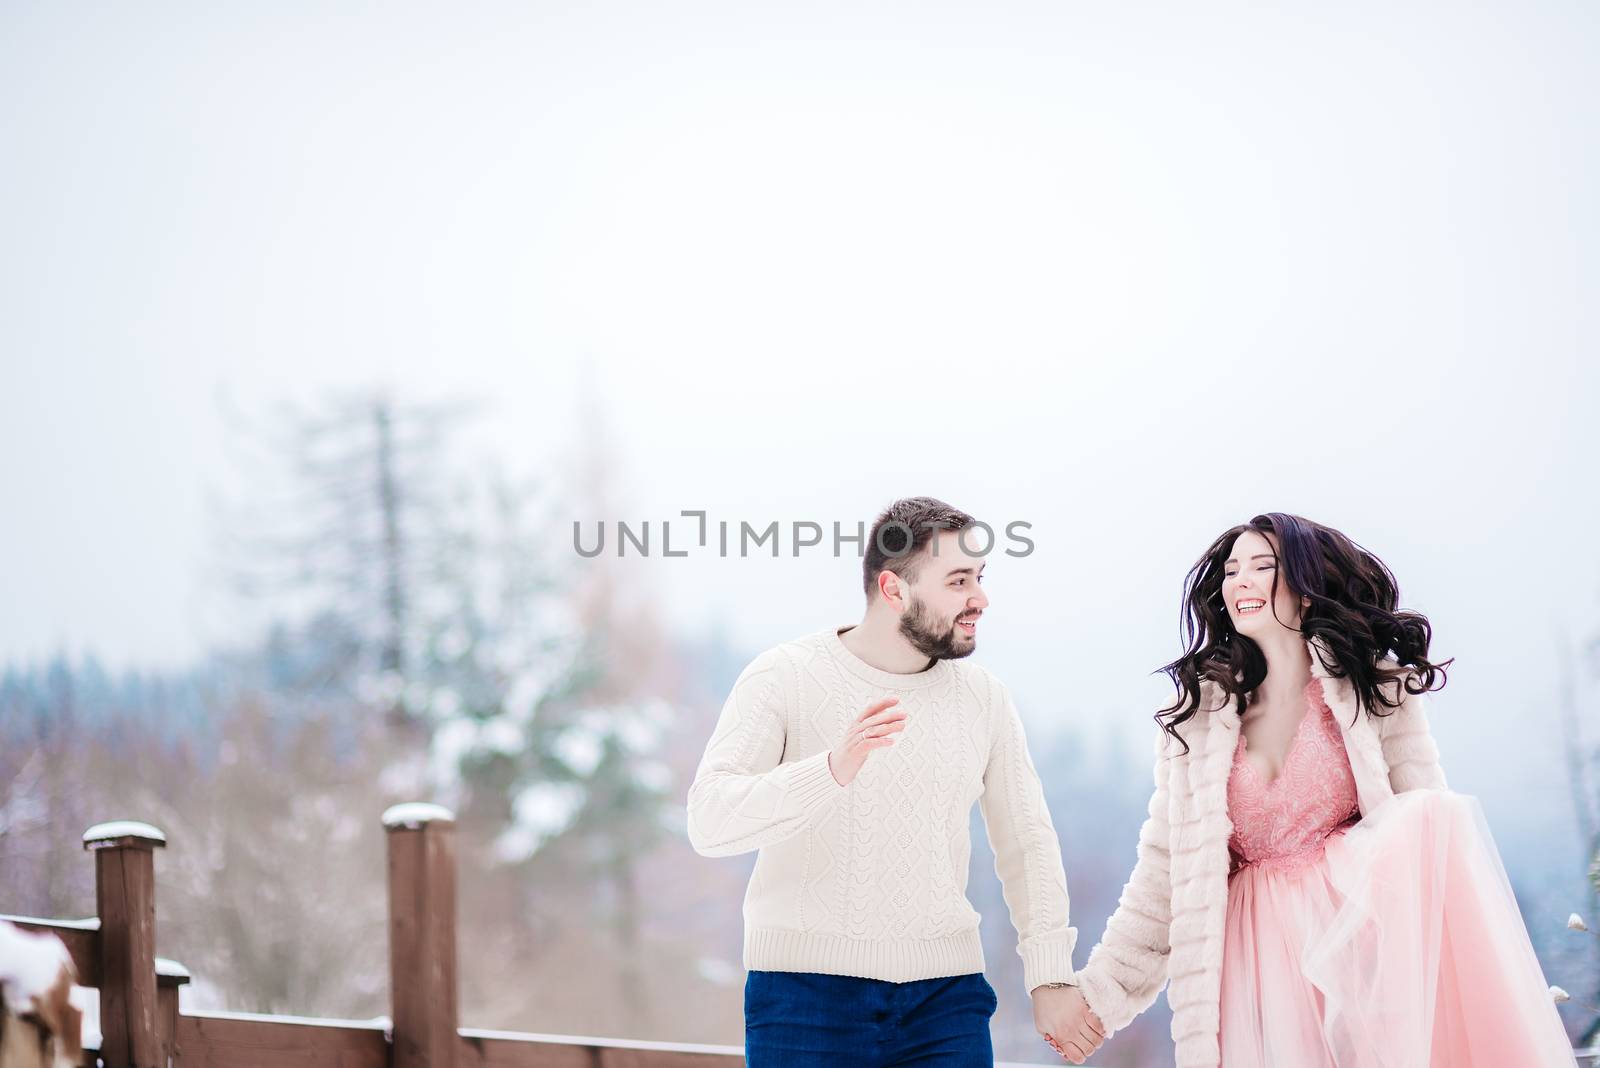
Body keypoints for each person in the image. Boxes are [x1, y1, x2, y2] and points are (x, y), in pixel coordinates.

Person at [1073, 512, 1577, 1068]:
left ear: (1307, 592)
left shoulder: (1375, 691)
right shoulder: (1197, 724)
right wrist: (1099, 995)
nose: (1240, 580)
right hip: (1254, 970)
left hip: (1355, 955)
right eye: (1232, 569)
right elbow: (1166, 873)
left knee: (1435, 812)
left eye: (1262, 566)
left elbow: (1430, 848)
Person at [686, 496, 1105, 1066]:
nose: (980, 598)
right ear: (893, 590)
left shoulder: (983, 699)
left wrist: (1050, 976)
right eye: (958, 581)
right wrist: (829, 771)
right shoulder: (784, 676)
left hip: (945, 1000)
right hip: (803, 997)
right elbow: (709, 820)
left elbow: (1026, 843)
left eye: (980, 578)